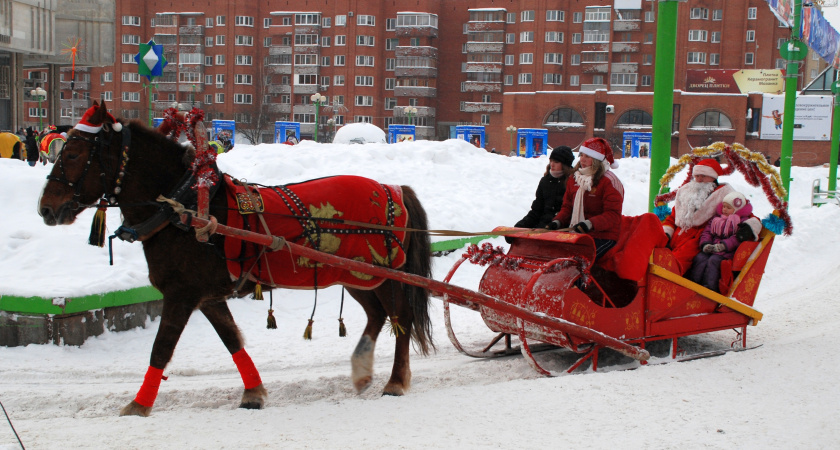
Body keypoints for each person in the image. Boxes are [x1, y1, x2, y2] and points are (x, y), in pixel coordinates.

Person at [661, 159, 762, 275]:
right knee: (655, 253)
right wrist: (666, 235)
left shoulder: (724, 193)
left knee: (673, 264)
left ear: (713, 177)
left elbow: (745, 211)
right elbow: (673, 217)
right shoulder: (686, 192)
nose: (699, 180)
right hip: (677, 236)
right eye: (697, 176)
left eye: (703, 176)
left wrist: (750, 226)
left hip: (698, 239)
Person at [548, 137, 624, 261]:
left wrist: (590, 224)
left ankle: (580, 280)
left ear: (597, 160)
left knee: (577, 261)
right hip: (578, 232)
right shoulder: (575, 178)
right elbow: (567, 207)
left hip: (604, 235)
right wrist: (557, 221)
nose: (582, 159)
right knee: (553, 253)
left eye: (587, 156)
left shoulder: (609, 181)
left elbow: (613, 215)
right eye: (581, 155)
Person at [687, 191, 753, 292]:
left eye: (728, 207)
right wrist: (706, 244)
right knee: (700, 257)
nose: (724, 209)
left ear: (737, 209)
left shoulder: (740, 222)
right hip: (713, 247)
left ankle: (710, 287)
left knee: (714, 261)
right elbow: (707, 232)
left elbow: (737, 238)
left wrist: (724, 246)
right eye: (724, 206)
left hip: (727, 252)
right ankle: (693, 282)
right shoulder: (717, 219)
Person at [514, 146, 575, 229]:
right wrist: (520, 226)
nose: (552, 164)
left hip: (563, 228)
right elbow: (536, 210)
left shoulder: (573, 182)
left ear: (565, 165)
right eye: (551, 161)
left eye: (556, 162)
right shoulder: (545, 181)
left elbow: (570, 211)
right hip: (542, 227)